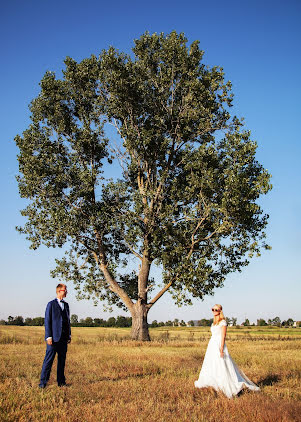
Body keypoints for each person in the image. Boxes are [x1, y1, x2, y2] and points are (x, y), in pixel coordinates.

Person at [194, 304, 260, 398]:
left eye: (216, 310)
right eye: (213, 309)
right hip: (212, 345)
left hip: (218, 345)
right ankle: (211, 382)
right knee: (212, 363)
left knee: (222, 364)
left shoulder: (223, 322)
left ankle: (229, 384)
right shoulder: (214, 323)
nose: (214, 311)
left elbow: (223, 336)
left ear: (220, 311)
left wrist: (221, 349)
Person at [39, 283, 71, 388]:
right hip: (53, 338)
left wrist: (69, 335)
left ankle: (61, 382)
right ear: (58, 291)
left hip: (63, 338)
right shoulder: (51, 304)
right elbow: (47, 321)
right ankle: (43, 383)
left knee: (62, 362)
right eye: (64, 290)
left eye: (66, 290)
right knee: (48, 361)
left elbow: (68, 321)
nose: (66, 292)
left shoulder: (66, 305)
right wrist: (48, 336)